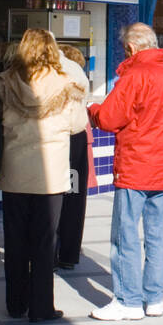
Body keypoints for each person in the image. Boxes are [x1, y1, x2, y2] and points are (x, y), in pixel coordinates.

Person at [87, 22, 163, 321]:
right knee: (156, 235)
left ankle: (128, 301)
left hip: (135, 166)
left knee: (125, 235)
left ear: (131, 48)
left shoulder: (134, 76)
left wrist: (91, 108)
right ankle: (154, 299)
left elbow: (109, 117)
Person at [0, 28, 85, 322]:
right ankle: (42, 308)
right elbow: (77, 125)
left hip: (15, 170)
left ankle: (16, 304)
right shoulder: (66, 84)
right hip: (50, 173)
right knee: (44, 242)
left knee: (15, 240)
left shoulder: (4, 82)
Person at [56, 44, 94, 271]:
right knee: (74, 197)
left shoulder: (53, 74)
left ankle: (51, 251)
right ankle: (69, 253)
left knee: (55, 199)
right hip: (76, 142)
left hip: (60, 144)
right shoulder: (79, 78)